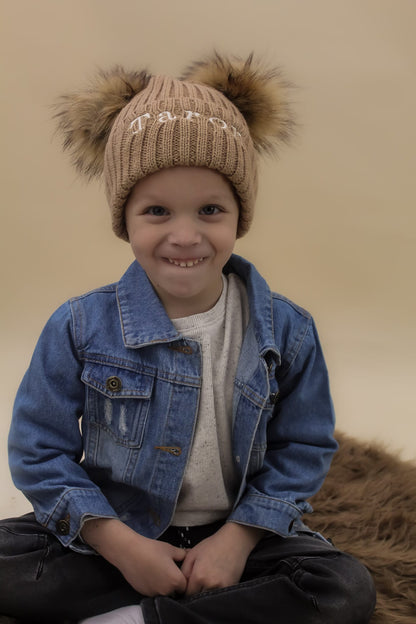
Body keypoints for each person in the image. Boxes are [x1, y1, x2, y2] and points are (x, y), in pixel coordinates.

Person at [0, 53, 376, 623]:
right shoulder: (79, 325)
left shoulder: (287, 329)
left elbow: (303, 447)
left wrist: (238, 540)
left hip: (238, 533)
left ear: (238, 217)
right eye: (156, 211)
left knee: (343, 589)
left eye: (209, 210)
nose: (184, 235)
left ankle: (141, 616)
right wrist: (121, 546)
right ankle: (178, 597)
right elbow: (38, 449)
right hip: (115, 529)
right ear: (124, 220)